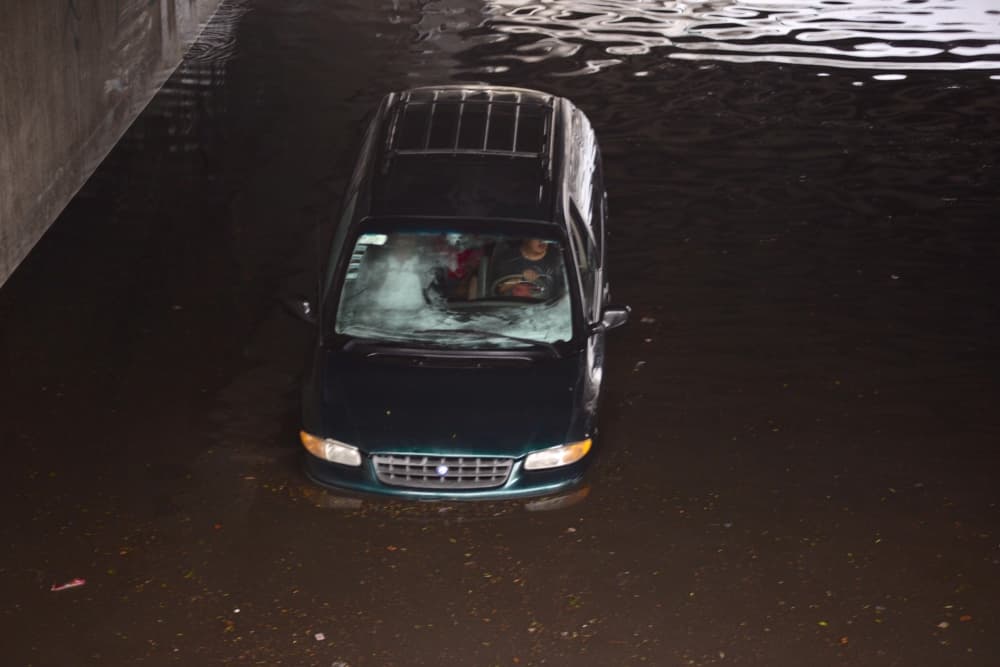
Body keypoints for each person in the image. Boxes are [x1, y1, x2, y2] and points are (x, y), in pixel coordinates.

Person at [485, 238, 563, 300]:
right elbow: (498, 289)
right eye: (537, 236)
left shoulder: (556, 261)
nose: (542, 241)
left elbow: (559, 294)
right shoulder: (507, 259)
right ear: (526, 239)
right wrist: (521, 278)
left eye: (545, 237)